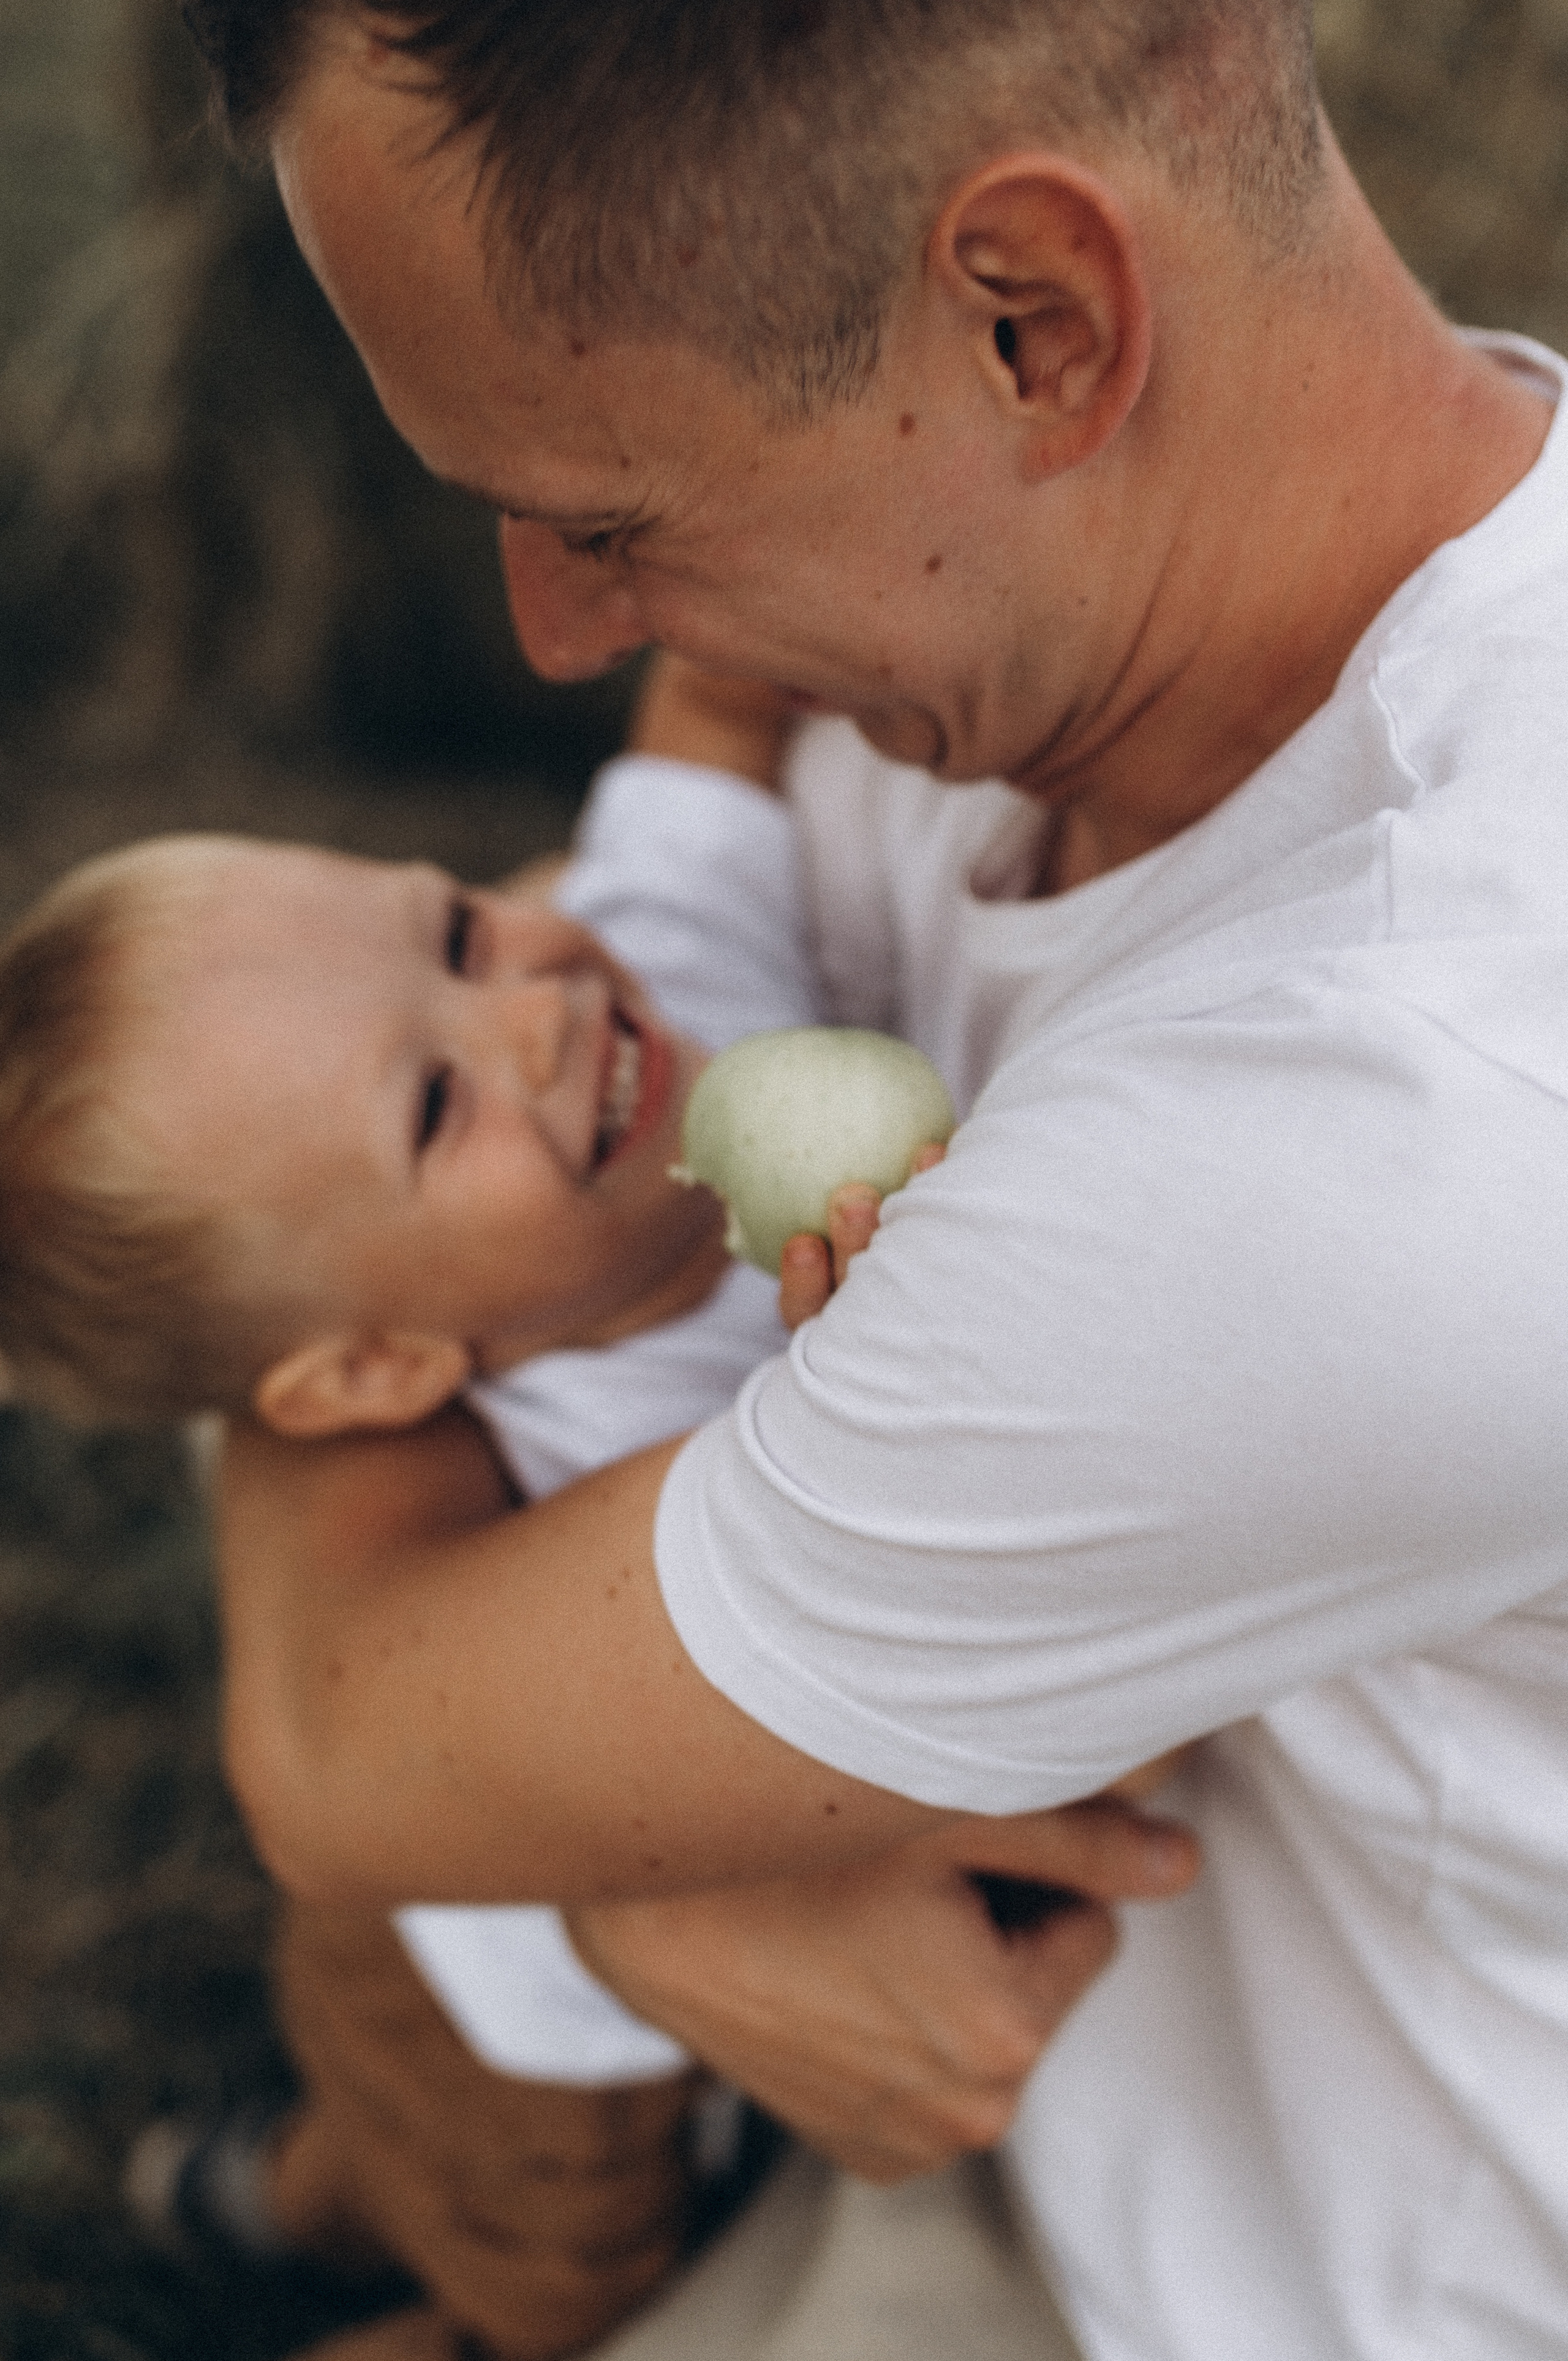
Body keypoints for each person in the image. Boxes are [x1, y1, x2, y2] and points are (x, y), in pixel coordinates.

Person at [184, 1, 1568, 2354]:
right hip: (1077, 2083)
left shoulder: (1398, 1102)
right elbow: (450, 1041)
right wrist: (646, 1868)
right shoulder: (1008, 629)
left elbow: (339, 1738)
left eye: (605, 517)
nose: (560, 632)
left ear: (1034, 322)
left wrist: (603, 1851)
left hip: (1266, 2275)